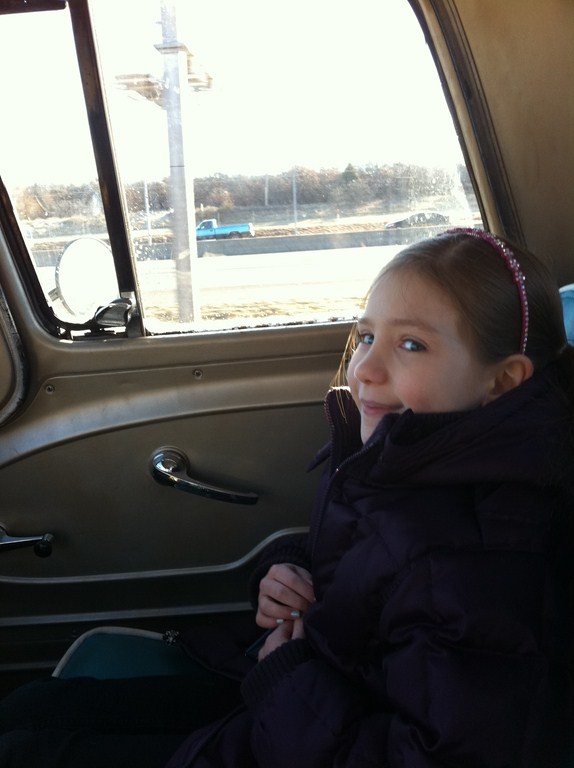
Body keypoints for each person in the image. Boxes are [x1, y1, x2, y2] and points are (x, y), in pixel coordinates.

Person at [1, 228, 573, 768]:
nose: (365, 368)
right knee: (32, 706)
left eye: (412, 344)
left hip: (305, 720)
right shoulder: (410, 461)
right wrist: (291, 572)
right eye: (366, 336)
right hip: (310, 699)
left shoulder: (483, 563)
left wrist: (288, 680)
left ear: (502, 380)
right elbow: (367, 565)